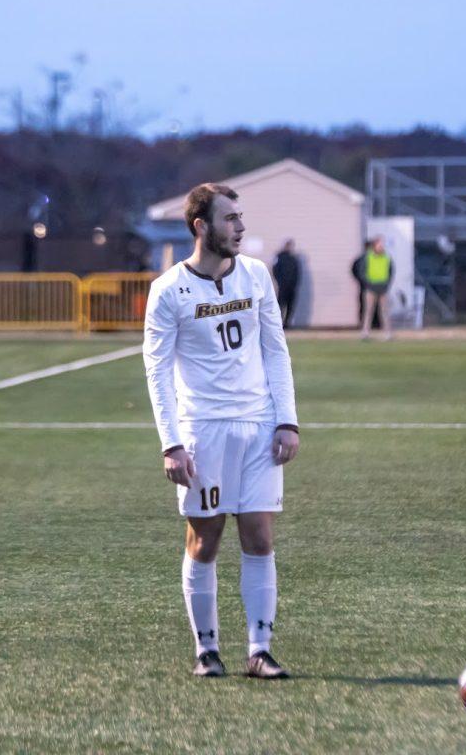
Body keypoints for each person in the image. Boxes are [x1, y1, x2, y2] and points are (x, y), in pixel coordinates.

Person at [143, 183, 300, 680]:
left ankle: (260, 650)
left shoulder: (256, 275)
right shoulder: (168, 290)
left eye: (240, 217)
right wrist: (171, 442)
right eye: (230, 218)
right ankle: (206, 650)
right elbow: (158, 369)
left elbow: (276, 350)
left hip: (257, 426)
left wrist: (287, 419)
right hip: (203, 429)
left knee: (259, 535)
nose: (240, 227)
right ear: (201, 227)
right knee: (204, 538)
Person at [360, 235, 394, 341]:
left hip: (383, 288)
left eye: (382, 244)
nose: (381, 246)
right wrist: (368, 283)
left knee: (385, 312)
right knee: (368, 311)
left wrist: (387, 283)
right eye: (379, 244)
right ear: (374, 245)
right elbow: (362, 272)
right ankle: (365, 333)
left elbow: (390, 272)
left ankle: (387, 334)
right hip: (371, 288)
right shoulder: (368, 257)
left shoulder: (387, 257)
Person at [271, 239, 301, 329]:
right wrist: (279, 281)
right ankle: (277, 323)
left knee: (290, 306)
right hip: (283, 286)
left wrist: (295, 284)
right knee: (280, 305)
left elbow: (297, 272)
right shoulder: (279, 256)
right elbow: (275, 270)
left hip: (292, 287)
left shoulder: (294, 258)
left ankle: (287, 324)